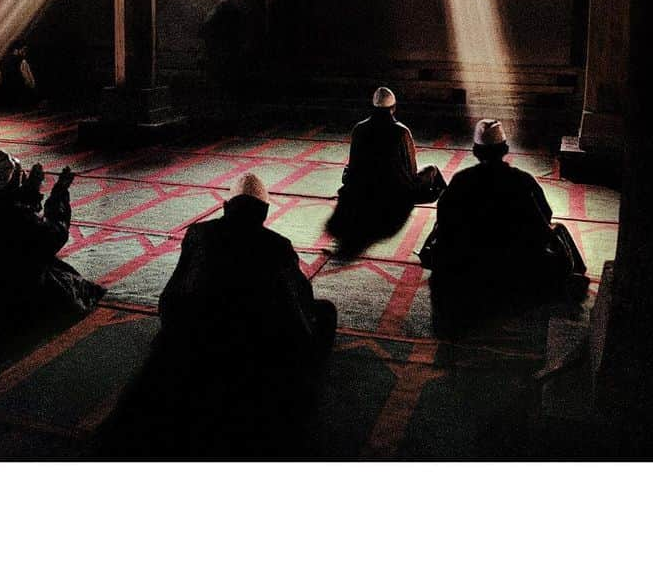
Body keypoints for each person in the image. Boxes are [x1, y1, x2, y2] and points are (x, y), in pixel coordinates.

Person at [418, 119, 587, 325]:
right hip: (514, 267)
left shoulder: (460, 181)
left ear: (475, 151)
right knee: (558, 233)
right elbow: (545, 220)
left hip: (468, 266)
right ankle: (574, 276)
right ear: (505, 149)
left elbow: (444, 223)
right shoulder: (523, 180)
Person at [159, 173, 337, 368]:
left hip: (196, 341)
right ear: (264, 213)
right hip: (256, 350)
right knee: (326, 311)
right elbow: (303, 297)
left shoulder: (197, 233)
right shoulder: (278, 245)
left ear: (225, 207)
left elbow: (171, 294)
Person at [0, 150, 104, 330]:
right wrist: (59, 193)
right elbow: (53, 236)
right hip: (9, 306)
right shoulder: (18, 217)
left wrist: (31, 189)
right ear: (10, 183)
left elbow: (2, 207)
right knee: (73, 286)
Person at [325, 86, 446, 254]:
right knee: (432, 170)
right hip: (395, 194)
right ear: (393, 108)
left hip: (364, 191)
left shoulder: (359, 128)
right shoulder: (402, 132)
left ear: (373, 107)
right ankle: (446, 205)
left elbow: (353, 167)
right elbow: (411, 170)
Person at [0, 41, 37, 110]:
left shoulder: (2, 61)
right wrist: (32, 85)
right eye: (23, 49)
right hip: (19, 91)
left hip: (7, 91)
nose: (25, 52)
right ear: (16, 50)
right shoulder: (22, 61)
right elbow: (27, 75)